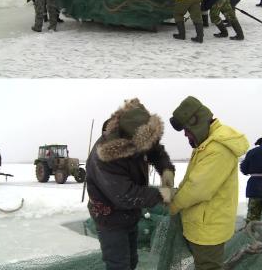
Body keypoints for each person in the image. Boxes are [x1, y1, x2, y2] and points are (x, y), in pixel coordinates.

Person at [86, 98, 175, 270]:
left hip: (130, 215)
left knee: (132, 261)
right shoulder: (105, 158)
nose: (149, 146)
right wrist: (159, 194)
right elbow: (125, 195)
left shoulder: (138, 134)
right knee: (119, 265)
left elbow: (155, 150)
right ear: (132, 141)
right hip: (110, 218)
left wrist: (166, 169)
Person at [168, 96, 250, 270]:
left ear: (196, 123)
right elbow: (190, 180)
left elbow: (197, 189)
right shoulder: (208, 144)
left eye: (187, 129)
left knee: (207, 267)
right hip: (203, 224)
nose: (185, 134)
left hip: (208, 228)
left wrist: (173, 205)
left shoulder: (218, 148)